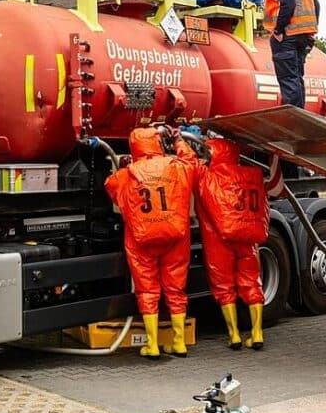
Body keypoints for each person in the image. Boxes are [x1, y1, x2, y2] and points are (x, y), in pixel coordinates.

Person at [105, 127, 198, 359]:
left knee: (147, 291)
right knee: (176, 290)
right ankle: (179, 343)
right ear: (157, 144)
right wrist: (177, 140)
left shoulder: (127, 175)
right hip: (175, 237)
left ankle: (152, 345)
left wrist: (127, 165)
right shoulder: (176, 166)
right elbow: (192, 161)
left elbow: (110, 185)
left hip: (142, 240)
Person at [193, 138, 270, 350]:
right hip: (247, 236)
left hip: (219, 240)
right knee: (252, 282)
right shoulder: (252, 175)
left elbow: (187, 162)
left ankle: (234, 334)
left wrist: (180, 141)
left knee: (224, 286)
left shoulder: (207, 177)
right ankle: (257, 332)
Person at [257, 0, 320, 108]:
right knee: (297, 78)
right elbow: (316, 4)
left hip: (287, 35)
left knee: (288, 79)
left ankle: (292, 118)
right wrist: (312, 28)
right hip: (304, 34)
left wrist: (278, 29)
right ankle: (299, 116)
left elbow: (288, 3)